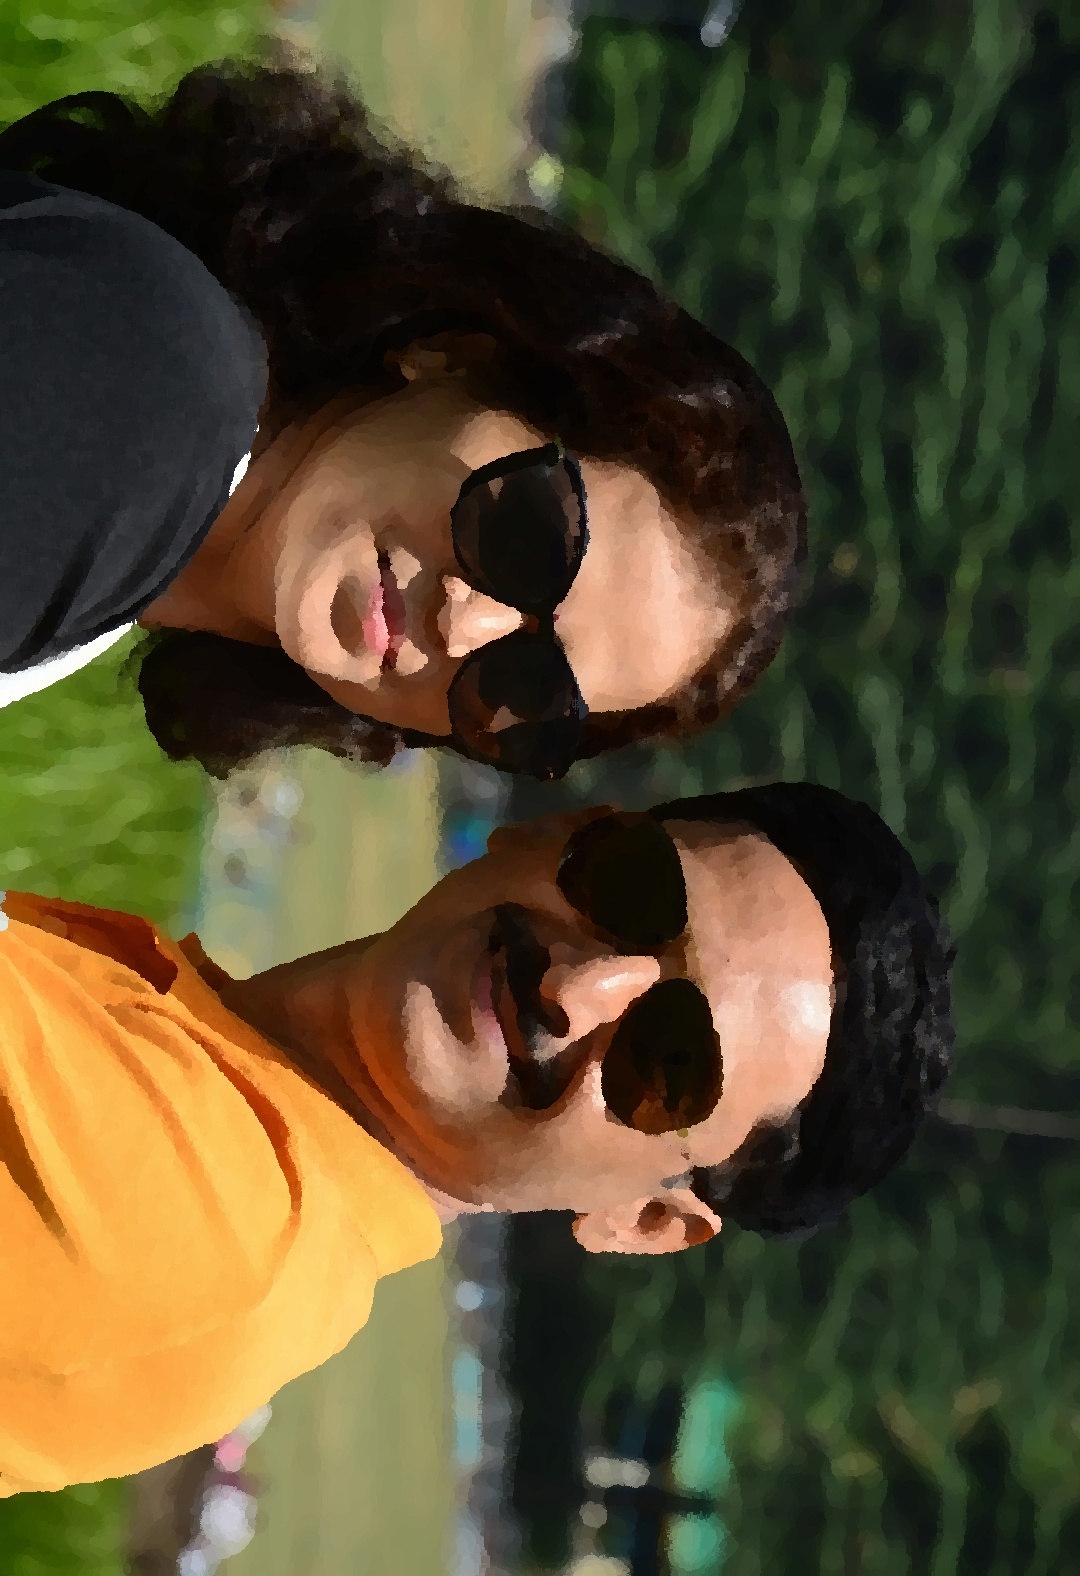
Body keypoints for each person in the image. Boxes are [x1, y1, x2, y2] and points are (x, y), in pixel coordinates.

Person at [0, 782, 953, 1494]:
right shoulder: (204, 1068)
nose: (576, 988)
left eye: (668, 1061)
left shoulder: (217, 1215)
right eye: (630, 891)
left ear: (644, 1220)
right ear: (555, 831)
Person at [0, 42, 806, 780]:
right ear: (457, 353)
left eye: (534, 688)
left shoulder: (140, 530)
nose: (465, 625)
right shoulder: (152, 401)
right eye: (524, 535)